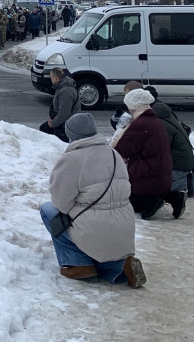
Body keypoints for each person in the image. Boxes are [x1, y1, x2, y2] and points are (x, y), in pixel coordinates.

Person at [39, 113, 146, 288]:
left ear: (71, 134)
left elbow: (61, 204)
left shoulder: (72, 159)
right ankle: (121, 265)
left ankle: (78, 264)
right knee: (97, 236)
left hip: (95, 228)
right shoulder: (113, 154)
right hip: (125, 226)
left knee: (48, 211)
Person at [112, 88, 174, 220]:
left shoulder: (140, 124)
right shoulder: (153, 119)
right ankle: (175, 198)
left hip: (147, 176)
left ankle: (152, 202)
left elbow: (121, 149)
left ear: (133, 106)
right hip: (160, 175)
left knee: (128, 205)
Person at [39, 68, 78, 142]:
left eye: (51, 77)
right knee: (44, 128)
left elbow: (64, 113)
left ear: (55, 78)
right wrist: (52, 119)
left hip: (67, 124)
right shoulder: (61, 87)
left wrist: (53, 123)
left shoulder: (66, 91)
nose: (51, 80)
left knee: (45, 131)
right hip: (63, 121)